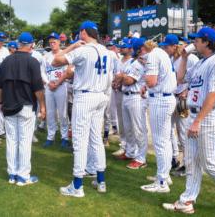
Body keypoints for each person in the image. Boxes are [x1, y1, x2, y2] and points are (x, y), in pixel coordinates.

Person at [163, 27, 215, 216]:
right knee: (192, 161)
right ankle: (187, 201)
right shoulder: (201, 62)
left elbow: (214, 93)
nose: (194, 43)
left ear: (207, 42)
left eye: (197, 40)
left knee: (209, 163)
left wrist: (197, 121)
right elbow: (180, 78)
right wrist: (184, 57)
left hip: (208, 116)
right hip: (195, 114)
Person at [52, 20, 113, 197]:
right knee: (96, 139)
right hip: (101, 96)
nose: (79, 35)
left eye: (80, 32)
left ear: (84, 32)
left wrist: (71, 46)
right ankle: (101, 181)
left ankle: (77, 186)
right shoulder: (107, 51)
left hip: (85, 96)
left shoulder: (83, 49)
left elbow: (56, 61)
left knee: (79, 140)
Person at [0, 32, 46, 186]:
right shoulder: (33, 61)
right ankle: (23, 176)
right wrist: (43, 106)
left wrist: (1, 102)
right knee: (24, 141)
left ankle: (12, 174)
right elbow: (38, 88)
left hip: (9, 106)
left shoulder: (6, 60)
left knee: (12, 141)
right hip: (26, 106)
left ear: (18, 44)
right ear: (31, 45)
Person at [138, 38, 177, 193]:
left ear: (144, 49)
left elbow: (151, 81)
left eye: (140, 51)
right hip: (166, 97)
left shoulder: (154, 55)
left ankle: (161, 182)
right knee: (165, 141)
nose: (140, 54)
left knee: (160, 142)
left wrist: (146, 75)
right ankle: (164, 176)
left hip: (160, 99)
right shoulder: (161, 54)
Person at [159, 34, 199, 177]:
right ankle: (174, 159)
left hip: (183, 101)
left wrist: (188, 90)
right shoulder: (170, 59)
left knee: (183, 133)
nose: (165, 48)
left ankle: (188, 166)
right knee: (169, 131)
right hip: (172, 98)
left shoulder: (191, 58)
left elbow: (198, 77)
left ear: (174, 46)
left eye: (167, 46)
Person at [115, 38, 148, 169]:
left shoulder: (140, 63)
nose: (133, 50)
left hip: (136, 97)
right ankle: (130, 152)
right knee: (128, 128)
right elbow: (121, 78)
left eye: (134, 48)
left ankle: (141, 158)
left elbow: (129, 81)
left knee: (138, 129)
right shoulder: (132, 62)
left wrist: (121, 77)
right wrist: (121, 77)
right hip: (126, 96)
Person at [41, 32, 69, 148]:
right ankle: (50, 136)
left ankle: (65, 137)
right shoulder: (46, 56)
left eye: (54, 41)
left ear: (59, 42)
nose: (52, 44)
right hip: (49, 87)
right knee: (51, 113)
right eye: (50, 42)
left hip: (62, 86)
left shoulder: (65, 55)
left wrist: (58, 83)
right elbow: (42, 72)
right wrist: (48, 83)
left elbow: (68, 71)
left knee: (63, 113)